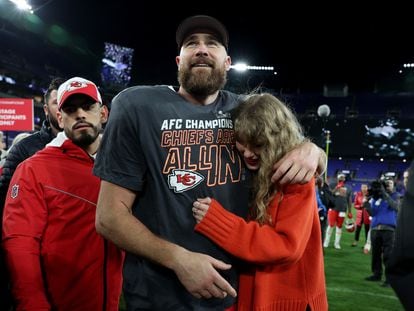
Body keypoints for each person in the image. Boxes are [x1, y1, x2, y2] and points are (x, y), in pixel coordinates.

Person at [93, 15, 326, 310]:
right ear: (178, 60)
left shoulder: (246, 110)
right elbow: (109, 218)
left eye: (212, 43)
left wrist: (313, 150)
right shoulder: (136, 106)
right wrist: (179, 260)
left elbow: (286, 140)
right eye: (192, 43)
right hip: (157, 297)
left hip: (235, 298)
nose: (201, 49)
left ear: (227, 62)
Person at [191, 93, 328, 310]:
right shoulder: (249, 166)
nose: (247, 152)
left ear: (276, 139)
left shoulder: (296, 174)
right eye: (241, 142)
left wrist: (218, 223)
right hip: (251, 294)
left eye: (257, 144)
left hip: (287, 300)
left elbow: (285, 246)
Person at [2, 77, 123, 310]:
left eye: (88, 107)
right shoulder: (33, 169)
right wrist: (33, 304)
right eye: (70, 109)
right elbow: (20, 243)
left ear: (104, 113)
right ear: (59, 117)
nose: (80, 114)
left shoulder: (124, 164)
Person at [0, 77, 65, 311]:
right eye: (58, 102)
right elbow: (6, 208)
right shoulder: (24, 149)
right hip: (34, 259)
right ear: (46, 109)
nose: (64, 108)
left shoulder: (96, 150)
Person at [387, 162, 414, 309]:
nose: (406, 179)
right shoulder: (404, 197)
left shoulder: (400, 197)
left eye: (408, 176)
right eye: (404, 177)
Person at [364, 178, 399, 287]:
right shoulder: (376, 198)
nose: (388, 186)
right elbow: (373, 213)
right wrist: (367, 206)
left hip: (389, 229)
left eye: (390, 184)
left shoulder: (395, 195)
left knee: (388, 255)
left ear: (394, 185)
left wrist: (385, 194)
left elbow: (395, 206)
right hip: (375, 229)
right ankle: (377, 274)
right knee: (376, 254)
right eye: (386, 184)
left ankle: (390, 279)